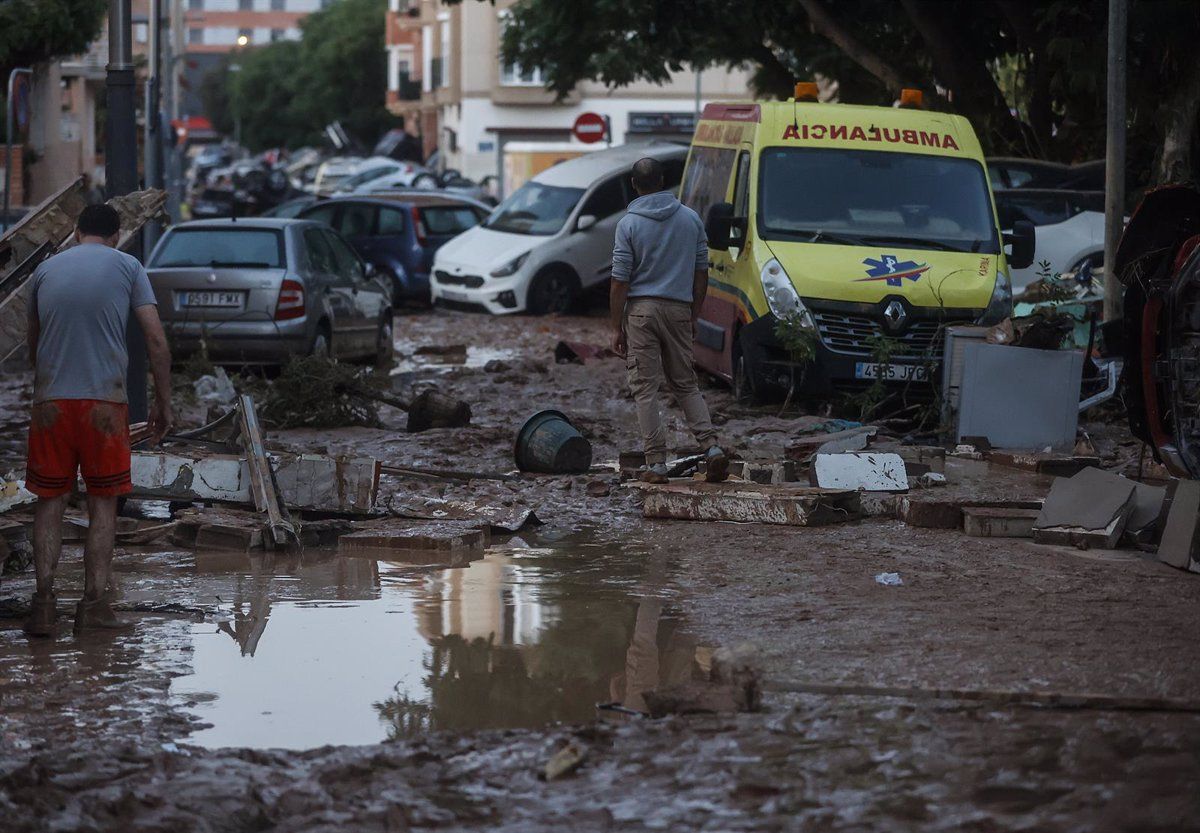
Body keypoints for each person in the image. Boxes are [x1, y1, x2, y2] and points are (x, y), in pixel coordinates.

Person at [23, 204, 173, 638]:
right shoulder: (128, 266)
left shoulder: (46, 271)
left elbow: (34, 345)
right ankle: (93, 607)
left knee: (49, 502)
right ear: (117, 234)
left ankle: (44, 608)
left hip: (50, 403)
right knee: (102, 504)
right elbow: (156, 342)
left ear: (75, 230)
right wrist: (163, 405)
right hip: (105, 406)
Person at [610, 157, 728, 485]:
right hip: (679, 309)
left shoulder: (628, 225)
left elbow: (620, 280)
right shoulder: (690, 220)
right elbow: (701, 271)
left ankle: (657, 464)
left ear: (634, 185)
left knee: (646, 388)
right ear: (662, 181)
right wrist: (694, 314)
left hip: (642, 312)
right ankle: (712, 448)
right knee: (686, 384)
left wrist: (615, 326)